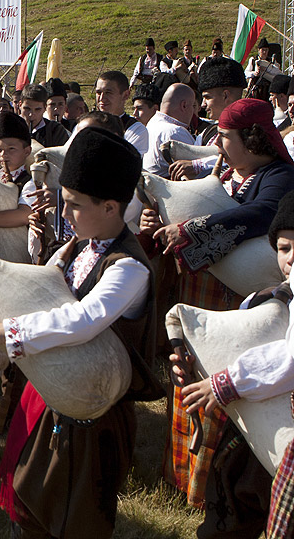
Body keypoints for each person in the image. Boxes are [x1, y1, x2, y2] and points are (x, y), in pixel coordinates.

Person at [0, 126, 159, 539]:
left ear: (110, 207)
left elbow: (84, 319)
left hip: (93, 414)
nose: (65, 214)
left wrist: (7, 331)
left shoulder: (128, 267)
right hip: (48, 395)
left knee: (75, 517)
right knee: (30, 504)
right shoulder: (78, 247)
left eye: (72, 205)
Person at [144, 98, 294, 508]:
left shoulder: (279, 176)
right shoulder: (224, 174)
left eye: (226, 137)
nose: (218, 144)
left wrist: (191, 227)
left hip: (236, 305)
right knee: (186, 374)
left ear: (252, 138)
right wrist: (158, 224)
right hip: (197, 292)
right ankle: (181, 477)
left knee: (222, 383)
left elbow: (264, 213)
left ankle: (216, 493)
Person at [173, 194, 294, 539]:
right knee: (230, 491)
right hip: (256, 422)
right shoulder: (266, 297)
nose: (292, 258)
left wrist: (223, 383)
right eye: (284, 248)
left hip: (284, 427)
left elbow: (291, 358)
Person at [95, 70, 149, 156]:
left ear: (125, 95)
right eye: (98, 92)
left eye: (108, 93)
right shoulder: (86, 123)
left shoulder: (135, 130)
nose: (102, 98)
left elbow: (127, 163)